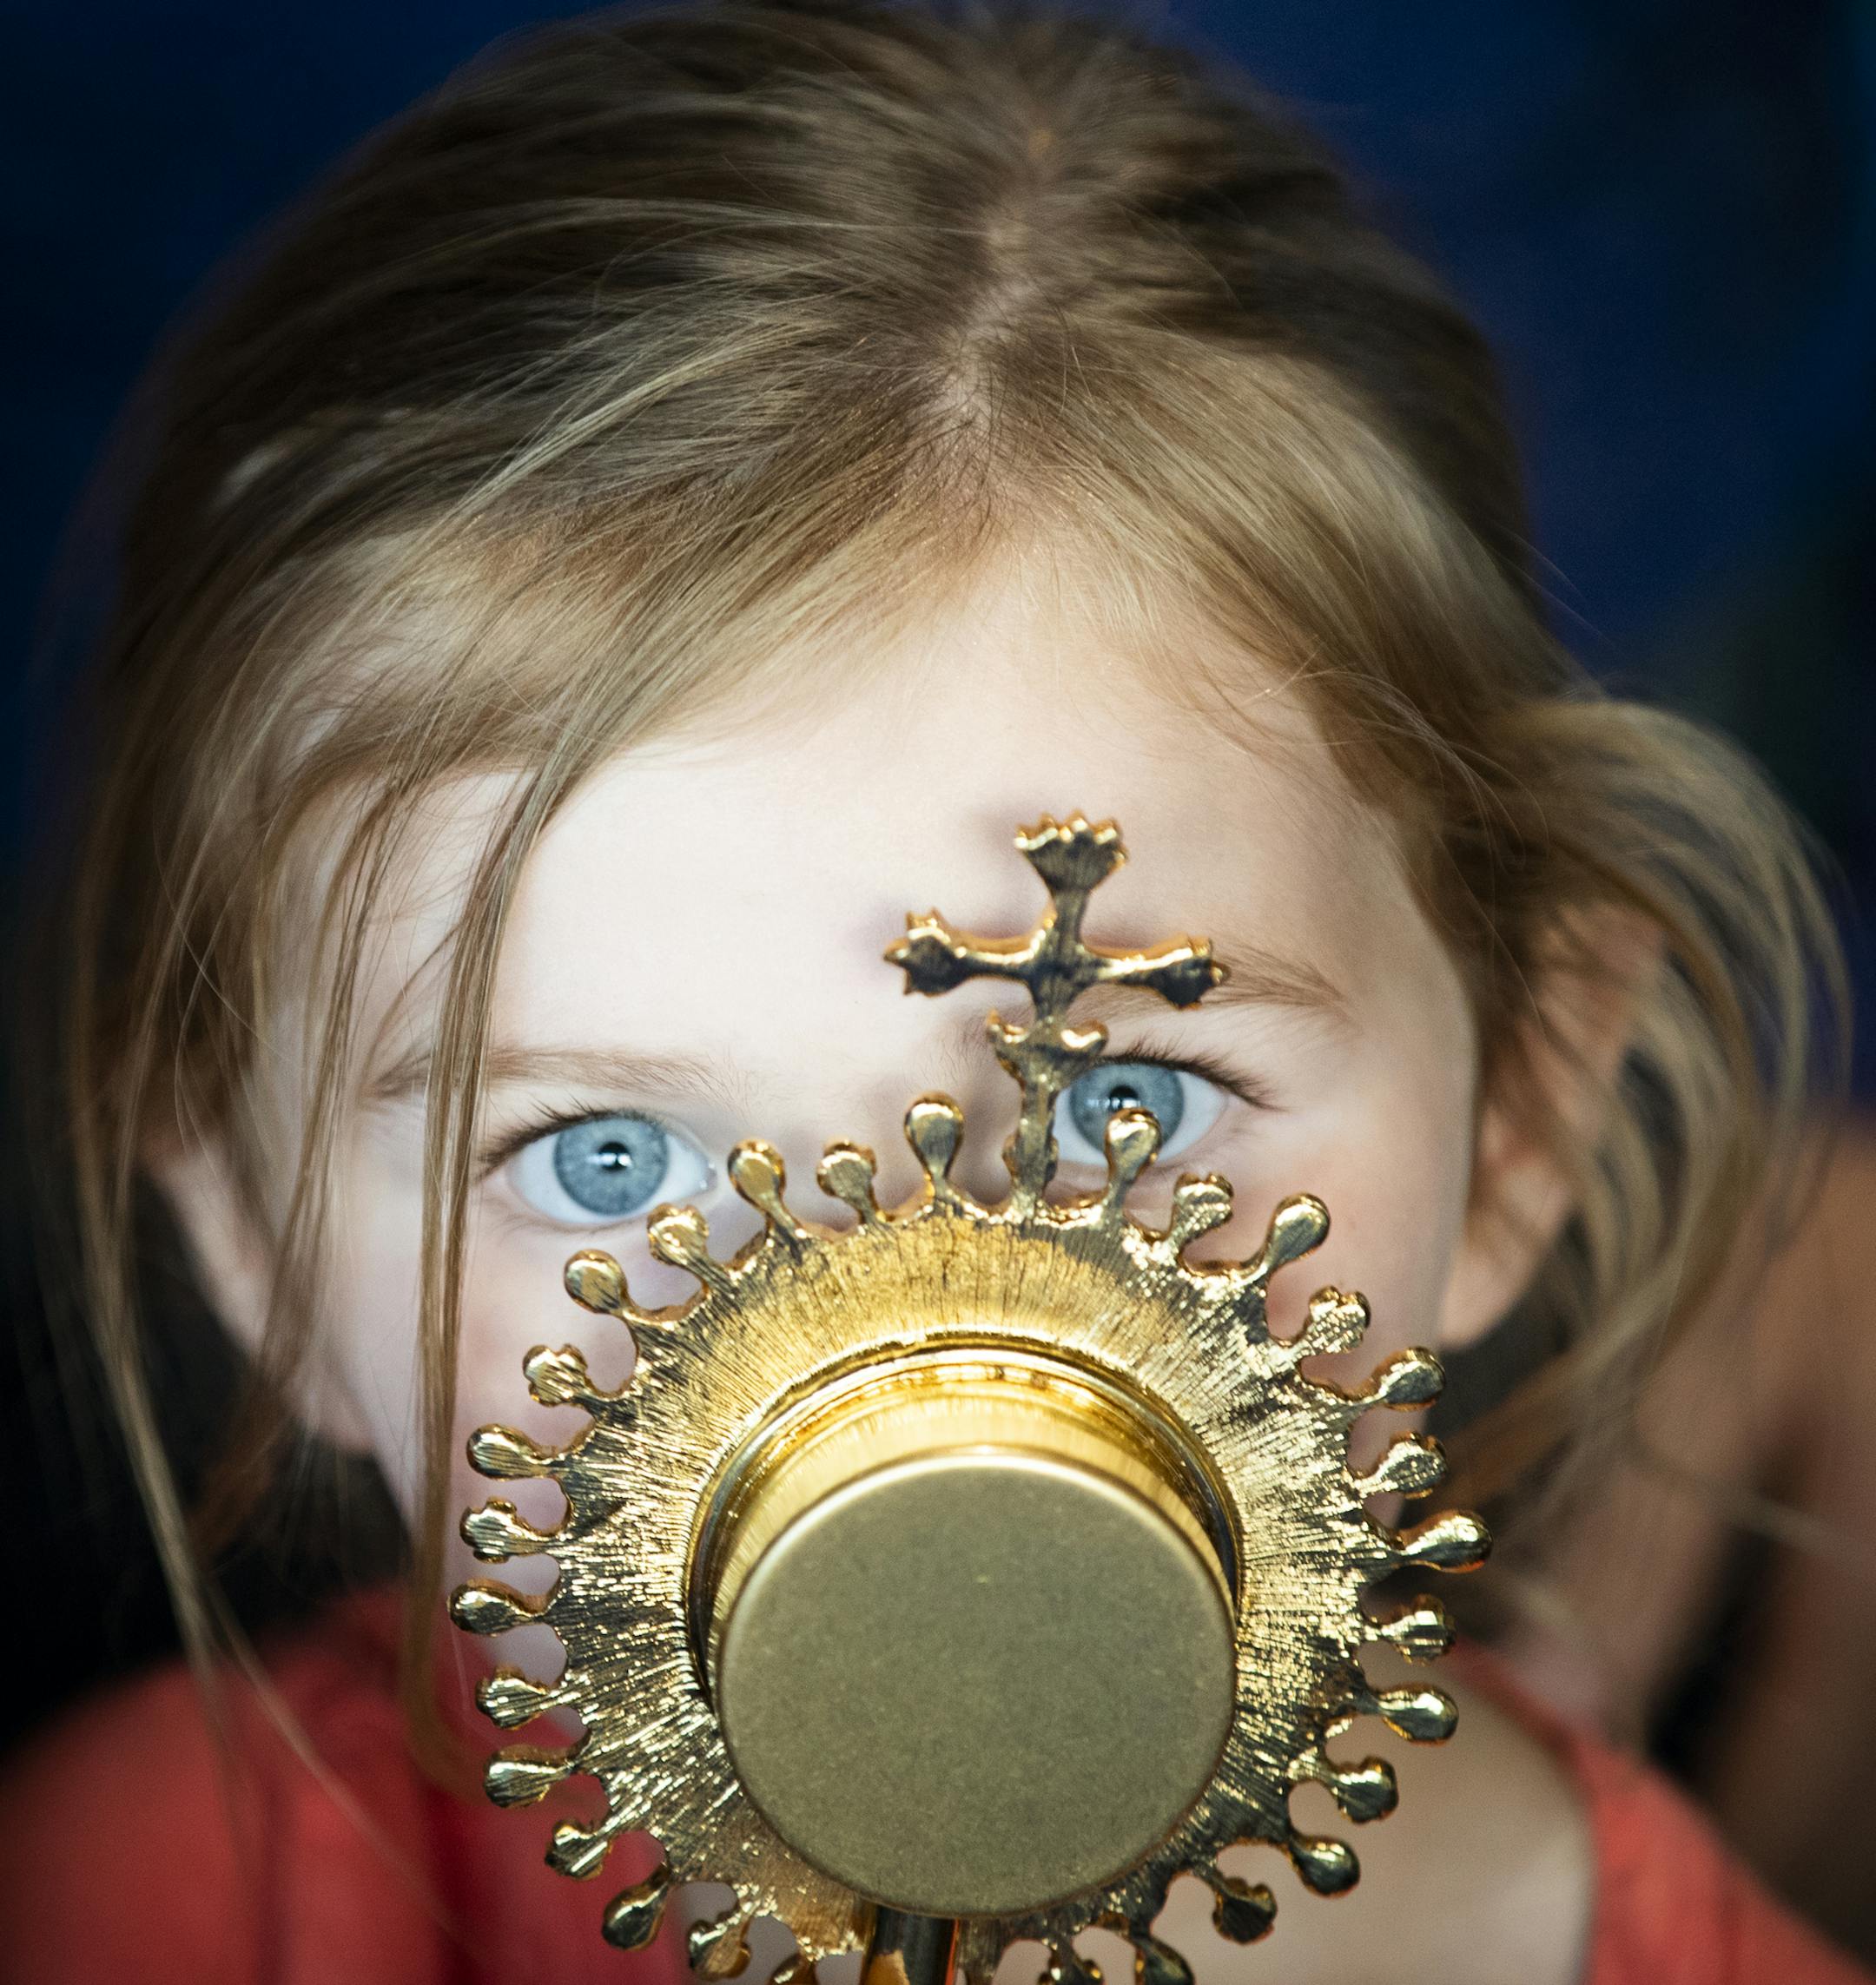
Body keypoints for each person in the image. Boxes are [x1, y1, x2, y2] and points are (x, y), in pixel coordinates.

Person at [0, 4, 1864, 1980]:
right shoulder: (139, 1901)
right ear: (250, 1234)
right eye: (609, 1162)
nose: (881, 1350)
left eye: (1115, 1106)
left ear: (1522, 1121)